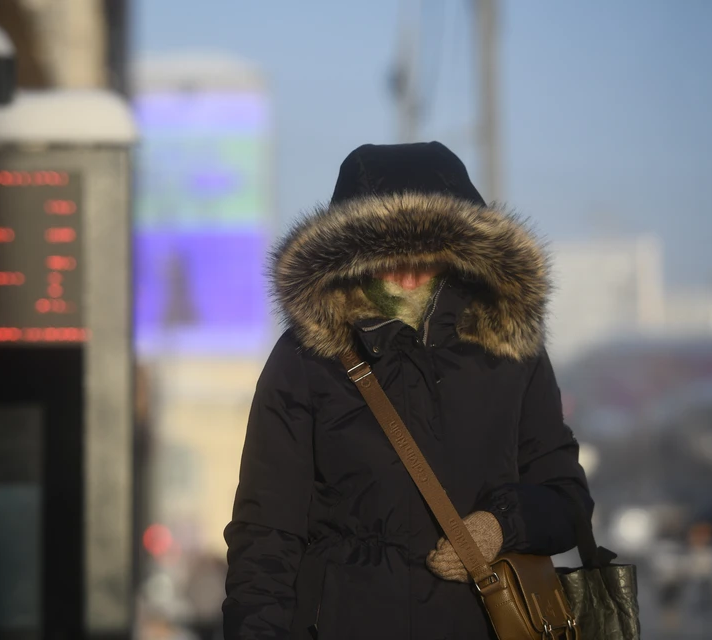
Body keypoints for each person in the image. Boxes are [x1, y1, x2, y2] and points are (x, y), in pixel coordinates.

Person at [223, 142, 593, 639]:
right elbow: (265, 537)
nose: (408, 271)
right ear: (351, 255)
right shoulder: (305, 359)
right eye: (386, 252)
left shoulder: (510, 348)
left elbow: (565, 499)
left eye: (426, 251)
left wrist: (500, 526)